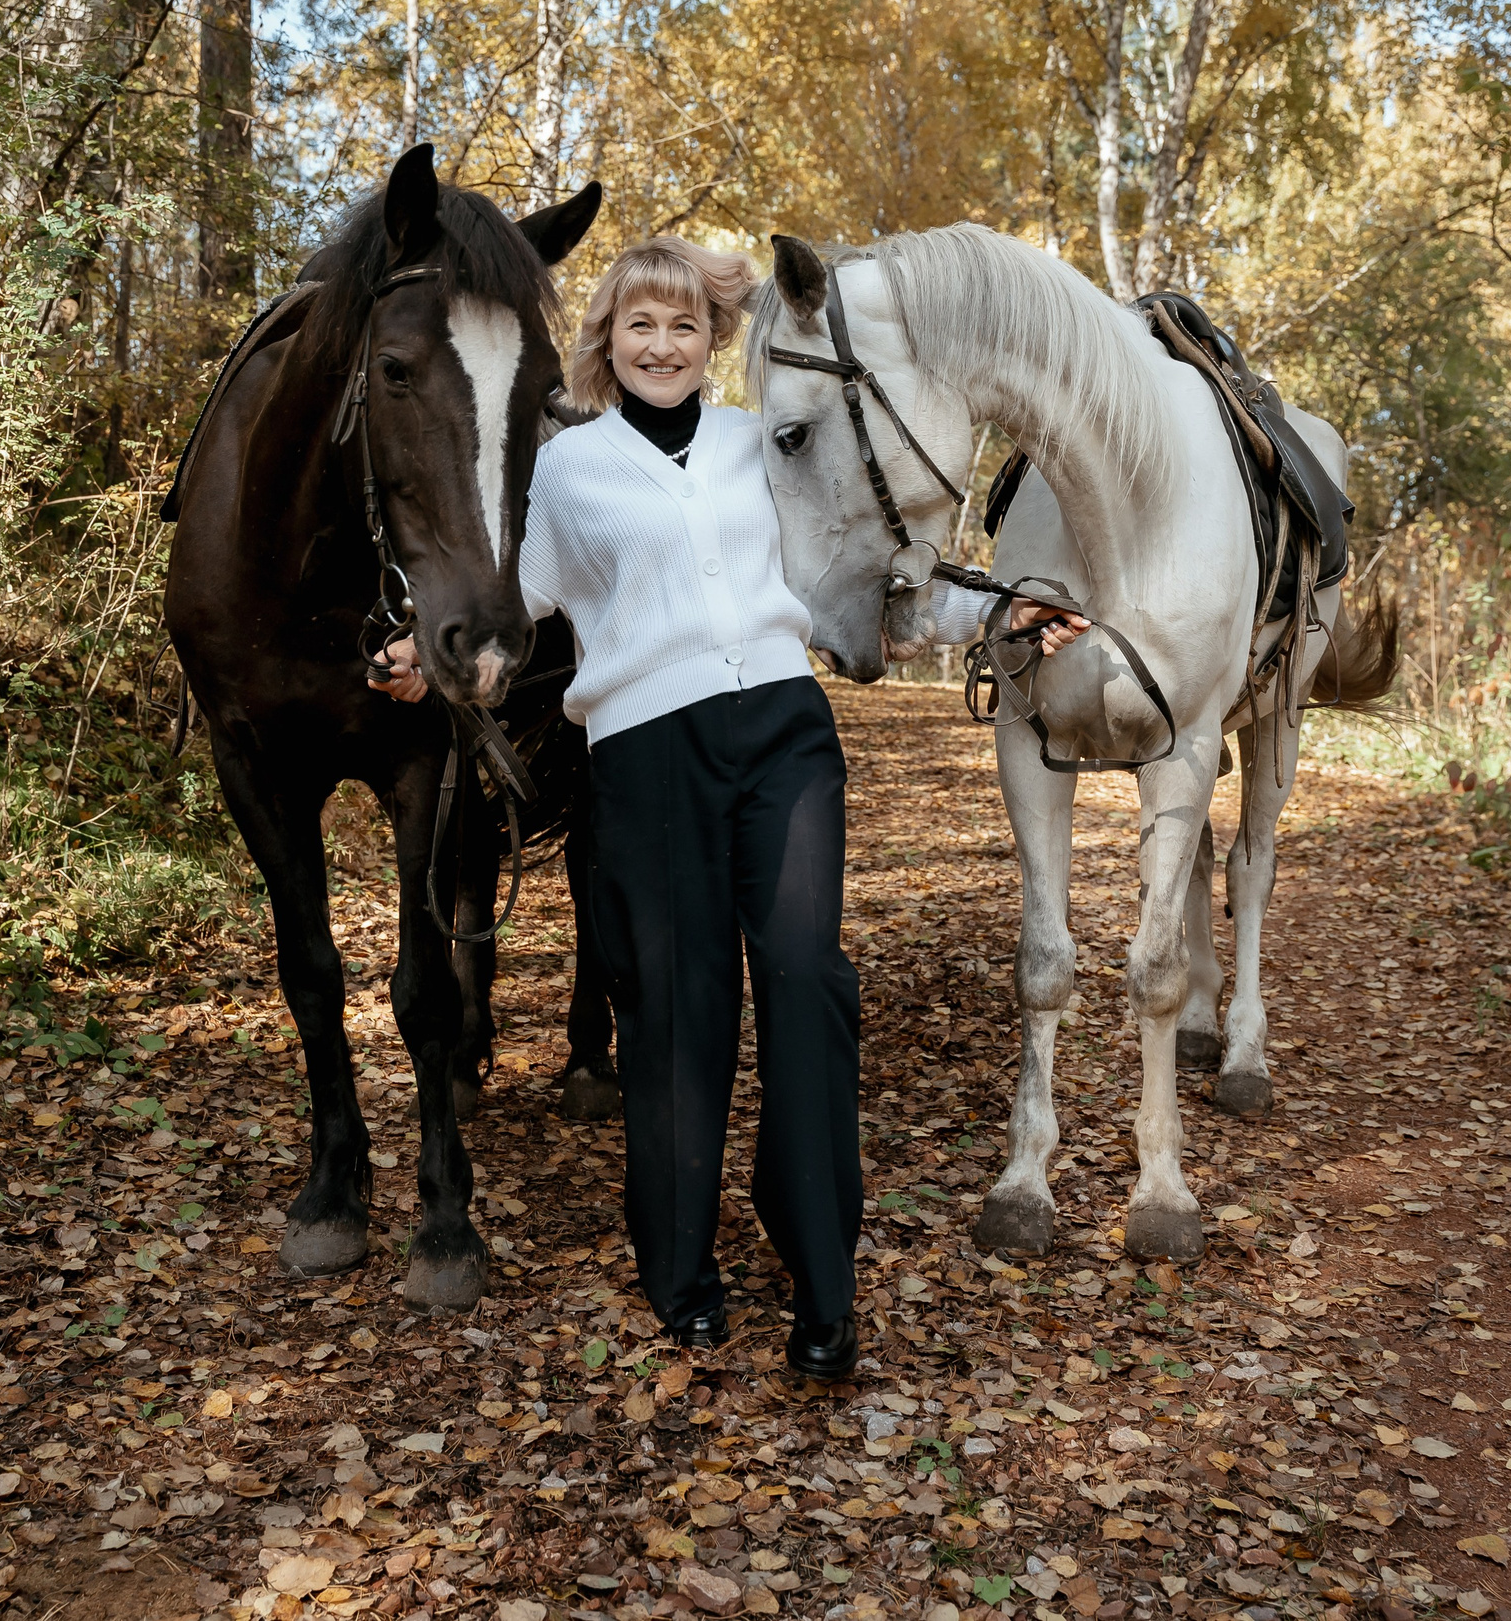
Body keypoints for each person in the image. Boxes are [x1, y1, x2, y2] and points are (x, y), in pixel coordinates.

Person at [371, 236, 1081, 1378]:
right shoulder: (568, 470)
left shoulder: (767, 447)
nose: (663, 345)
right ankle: (681, 1270)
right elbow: (519, 612)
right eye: (640, 325)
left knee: (809, 984)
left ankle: (822, 1276)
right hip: (647, 757)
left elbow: (868, 584)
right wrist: (428, 657)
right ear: (608, 341)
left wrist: (998, 618)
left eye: (685, 326)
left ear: (713, 344)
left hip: (785, 736)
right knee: (679, 1013)